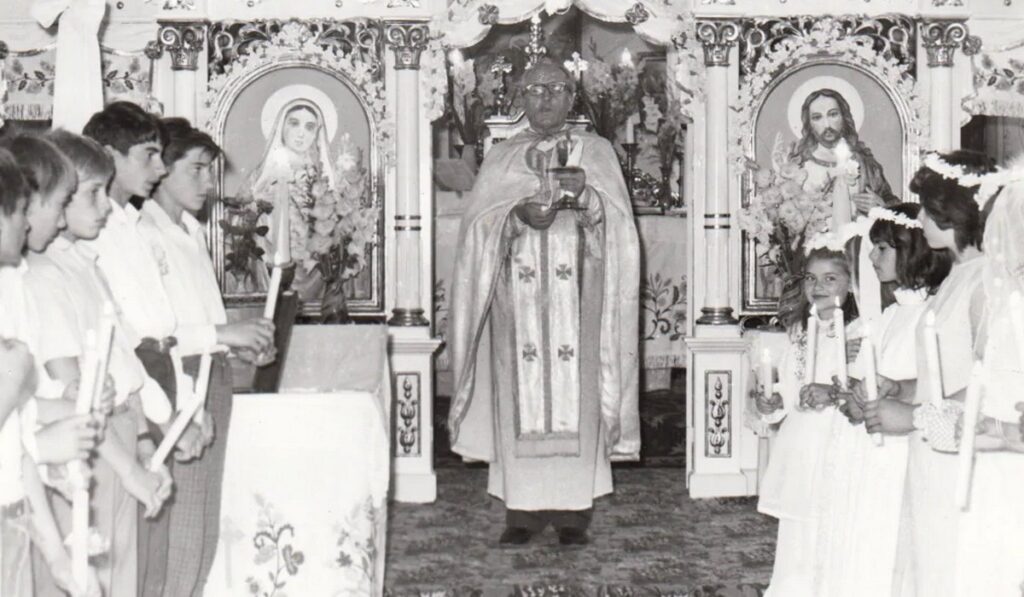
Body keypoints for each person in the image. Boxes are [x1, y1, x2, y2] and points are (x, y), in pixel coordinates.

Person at [447, 58, 640, 547]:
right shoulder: (502, 156)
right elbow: (477, 229)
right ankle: (521, 512)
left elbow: (620, 226)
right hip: (518, 304)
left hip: (580, 300)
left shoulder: (597, 151)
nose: (546, 98)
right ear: (520, 98)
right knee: (519, 399)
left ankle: (574, 514)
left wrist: (588, 196)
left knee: (579, 399)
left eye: (556, 88)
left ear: (572, 97)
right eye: (535, 89)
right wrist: (515, 214)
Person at [24, 129, 174, 596]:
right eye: (92, 193)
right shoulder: (44, 275)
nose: (106, 206)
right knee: (91, 575)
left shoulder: (85, 263)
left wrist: (143, 440)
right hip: (93, 444)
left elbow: (123, 361)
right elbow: (74, 387)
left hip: (119, 431)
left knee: (119, 576)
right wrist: (129, 467)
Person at [138, 117, 274, 596]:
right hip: (176, 380)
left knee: (204, 520)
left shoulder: (191, 231)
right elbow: (151, 335)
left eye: (209, 171)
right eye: (195, 170)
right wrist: (224, 333)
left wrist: (239, 342)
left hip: (211, 375)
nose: (207, 183)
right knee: (181, 524)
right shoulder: (144, 234)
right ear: (161, 169)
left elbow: (204, 317)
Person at [863, 150, 996, 597]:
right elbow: (947, 372)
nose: (919, 218)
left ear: (950, 211)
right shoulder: (957, 276)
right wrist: (902, 388)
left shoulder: (988, 282)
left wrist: (913, 417)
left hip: (968, 457)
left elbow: (992, 385)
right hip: (934, 450)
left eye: (925, 208)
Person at [80, 102, 198, 596]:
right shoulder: (93, 233)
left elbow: (160, 324)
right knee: (121, 548)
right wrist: (162, 413)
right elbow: (123, 335)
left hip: (154, 374)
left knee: (150, 547)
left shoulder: (129, 223)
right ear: (109, 155)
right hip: (131, 383)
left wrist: (182, 400)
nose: (160, 168)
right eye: (149, 154)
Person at [815, 203, 951, 597]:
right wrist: (853, 396)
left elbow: (931, 383)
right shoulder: (891, 315)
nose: (872, 257)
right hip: (867, 445)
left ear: (912, 251)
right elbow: (871, 379)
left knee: (886, 536)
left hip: (899, 449)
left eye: (882, 249)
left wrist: (884, 392)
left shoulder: (931, 314)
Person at [752, 243, 860, 597]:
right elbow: (790, 389)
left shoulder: (857, 334)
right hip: (800, 444)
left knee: (828, 523)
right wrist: (774, 402)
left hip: (834, 440)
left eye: (831, 278)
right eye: (811, 278)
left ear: (852, 284)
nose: (818, 286)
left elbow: (854, 389)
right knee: (797, 529)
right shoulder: (799, 332)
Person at [233, 95, 338, 301]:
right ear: (281, 127)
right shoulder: (261, 175)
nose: (301, 133)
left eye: (309, 127)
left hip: (313, 265)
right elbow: (240, 219)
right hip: (271, 261)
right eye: (294, 123)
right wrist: (260, 206)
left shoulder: (324, 178)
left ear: (317, 134)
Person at [790, 88, 899, 228]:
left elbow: (896, 207)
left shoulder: (865, 164)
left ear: (844, 117)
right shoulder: (799, 166)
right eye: (817, 117)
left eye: (833, 114)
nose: (827, 125)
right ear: (809, 124)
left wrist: (881, 208)